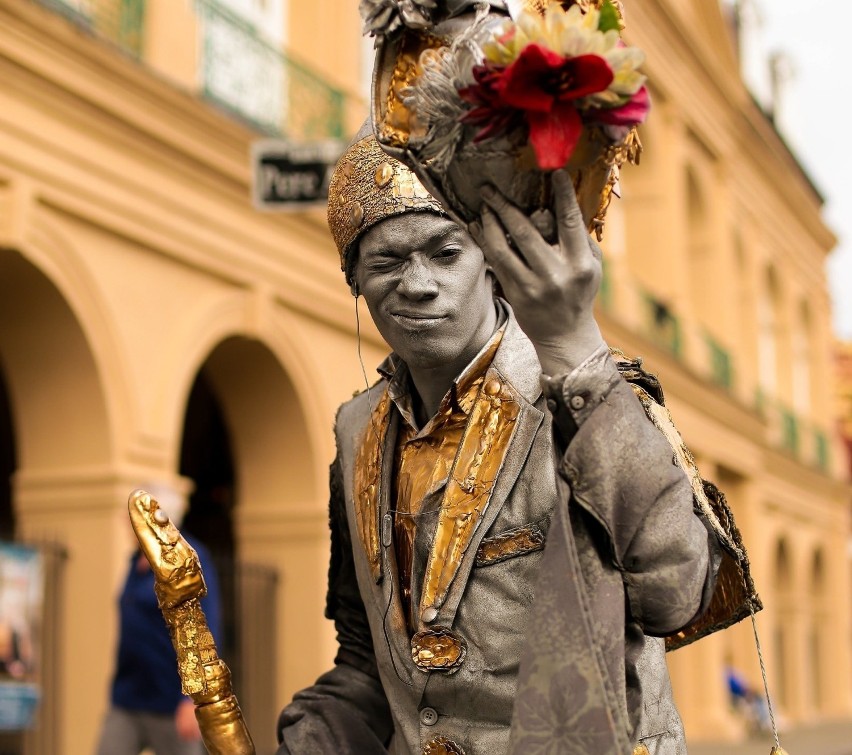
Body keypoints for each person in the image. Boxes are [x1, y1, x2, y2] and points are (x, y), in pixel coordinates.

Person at [275, 133, 720, 755]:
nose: (418, 285)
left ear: (488, 261)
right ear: (354, 282)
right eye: (385, 264)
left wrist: (579, 354)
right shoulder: (357, 430)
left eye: (444, 252)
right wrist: (317, 731)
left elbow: (675, 596)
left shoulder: (587, 393)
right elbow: (366, 654)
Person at [97, 484, 222, 755]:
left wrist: (191, 700)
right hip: (127, 697)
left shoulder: (186, 560)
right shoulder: (136, 561)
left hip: (171, 703)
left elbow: (203, 631)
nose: (125, 520)